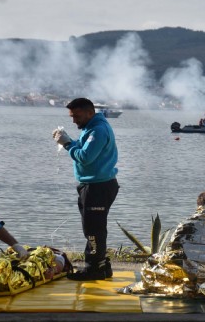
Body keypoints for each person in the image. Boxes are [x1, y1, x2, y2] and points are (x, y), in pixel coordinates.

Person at [122, 191, 205, 296]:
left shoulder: (186, 223)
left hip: (187, 280)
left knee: (155, 260)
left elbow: (171, 253)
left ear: (199, 206)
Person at [52, 97, 119, 281]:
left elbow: (85, 157)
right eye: (72, 116)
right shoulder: (90, 129)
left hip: (98, 186)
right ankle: (102, 266)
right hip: (93, 185)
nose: (74, 120)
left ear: (90, 112)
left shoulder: (98, 130)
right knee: (94, 228)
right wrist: (68, 141)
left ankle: (93, 268)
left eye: (77, 116)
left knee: (93, 230)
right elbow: (82, 148)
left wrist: (66, 144)